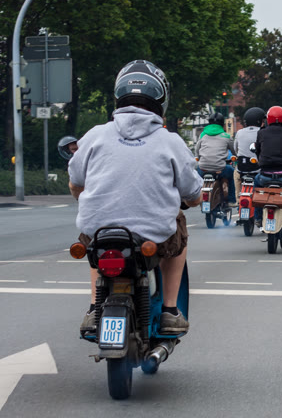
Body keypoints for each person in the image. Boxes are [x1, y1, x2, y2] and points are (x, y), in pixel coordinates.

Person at [68, 60, 202, 335]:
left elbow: (75, 182)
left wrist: (86, 198)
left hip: (101, 232)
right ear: (161, 100)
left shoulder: (95, 135)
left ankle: (94, 309)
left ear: (118, 96)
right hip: (152, 237)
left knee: (95, 245)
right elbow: (193, 194)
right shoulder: (171, 141)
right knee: (179, 231)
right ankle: (169, 311)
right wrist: (189, 201)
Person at [194, 112, 237, 208]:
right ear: (222, 124)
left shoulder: (202, 135)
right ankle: (231, 200)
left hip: (203, 168)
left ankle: (196, 197)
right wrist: (236, 157)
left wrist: (200, 158)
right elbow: (234, 152)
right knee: (231, 173)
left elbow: (197, 150)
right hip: (220, 169)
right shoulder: (227, 136)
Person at [234, 107, 265, 173]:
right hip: (258, 169)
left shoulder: (239, 132)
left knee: (235, 174)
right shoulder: (262, 132)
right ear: (259, 121)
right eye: (263, 121)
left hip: (241, 168)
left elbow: (235, 149)